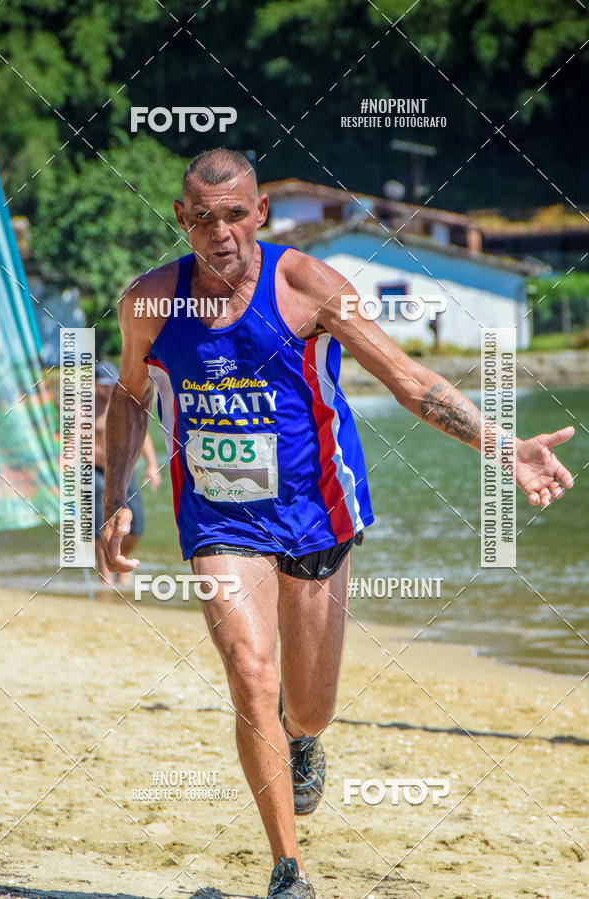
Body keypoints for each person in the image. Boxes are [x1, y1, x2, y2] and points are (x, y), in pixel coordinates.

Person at [101, 149, 574, 898]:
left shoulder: (310, 286)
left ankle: (305, 737)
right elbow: (128, 397)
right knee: (251, 674)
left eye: (234, 215)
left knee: (308, 701)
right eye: (201, 217)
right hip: (220, 517)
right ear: (181, 218)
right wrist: (118, 495)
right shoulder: (151, 303)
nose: (219, 232)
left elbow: (409, 379)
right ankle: (288, 869)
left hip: (317, 512)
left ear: (260, 213)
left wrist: (504, 446)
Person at [94, 361, 160, 587]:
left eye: (110, 384)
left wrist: (152, 465)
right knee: (101, 525)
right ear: (94, 384)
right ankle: (105, 575)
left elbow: (141, 434)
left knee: (137, 524)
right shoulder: (85, 407)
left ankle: (120, 561)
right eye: (103, 385)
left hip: (124, 469)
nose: (107, 389)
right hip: (94, 470)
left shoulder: (121, 402)